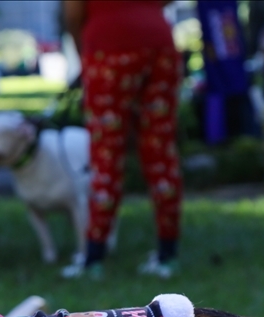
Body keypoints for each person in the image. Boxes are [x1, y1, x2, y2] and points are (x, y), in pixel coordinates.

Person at [62, 0, 183, 278]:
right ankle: (168, 255)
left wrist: (84, 52)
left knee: (106, 154)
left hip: (107, 48)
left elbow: (72, 13)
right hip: (159, 43)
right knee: (161, 151)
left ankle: (93, 258)